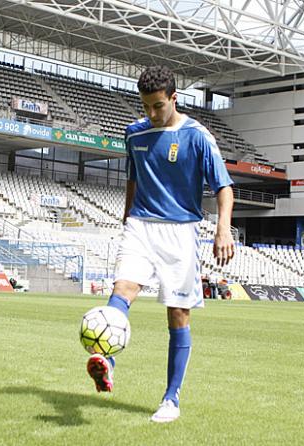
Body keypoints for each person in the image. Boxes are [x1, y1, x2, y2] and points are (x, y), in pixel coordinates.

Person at [85, 65, 235, 423]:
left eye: (158, 106)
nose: (151, 114)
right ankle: (106, 360)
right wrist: (126, 218)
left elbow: (223, 187)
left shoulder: (198, 137)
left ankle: (171, 400)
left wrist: (223, 229)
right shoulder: (134, 133)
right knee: (122, 288)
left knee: (177, 314)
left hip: (180, 232)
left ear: (173, 99)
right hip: (140, 225)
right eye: (146, 106)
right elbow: (134, 179)